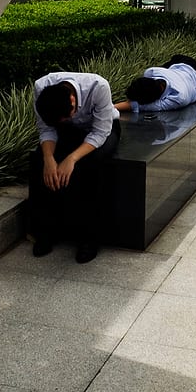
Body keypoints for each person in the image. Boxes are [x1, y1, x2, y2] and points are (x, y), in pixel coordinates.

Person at [29, 71, 120, 263]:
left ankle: (89, 237)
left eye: (66, 116)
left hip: (101, 129)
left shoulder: (98, 87)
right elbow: (47, 128)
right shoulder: (41, 87)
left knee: (92, 163)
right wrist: (48, 159)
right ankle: (46, 231)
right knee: (39, 161)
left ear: (72, 101)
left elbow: (100, 132)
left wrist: (72, 158)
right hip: (67, 132)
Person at [114, 54, 196, 114]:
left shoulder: (179, 97)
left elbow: (140, 106)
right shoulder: (151, 72)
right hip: (179, 66)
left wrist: (113, 107)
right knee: (174, 58)